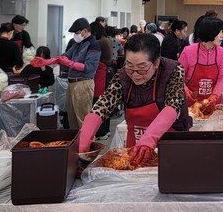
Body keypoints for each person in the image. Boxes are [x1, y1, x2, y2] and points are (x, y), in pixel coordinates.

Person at [78, 34, 192, 162]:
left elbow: (173, 105)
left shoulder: (173, 70)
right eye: (130, 66)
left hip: (170, 145)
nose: (135, 74)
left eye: (142, 68)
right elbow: (103, 106)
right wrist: (85, 135)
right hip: (135, 145)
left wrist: (149, 139)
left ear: (156, 62)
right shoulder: (123, 76)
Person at [37, 18, 101, 129]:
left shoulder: (93, 45)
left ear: (85, 31)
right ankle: (76, 140)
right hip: (72, 84)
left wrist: (70, 63)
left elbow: (89, 67)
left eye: (77, 32)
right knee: (72, 119)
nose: (75, 35)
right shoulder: (78, 43)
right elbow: (64, 56)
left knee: (83, 119)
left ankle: (86, 141)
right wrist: (46, 62)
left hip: (83, 83)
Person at [178, 17, 223, 111]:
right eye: (220, 32)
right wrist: (186, 91)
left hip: (214, 105)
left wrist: (214, 97)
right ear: (210, 33)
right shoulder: (188, 51)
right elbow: (178, 76)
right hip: (190, 106)